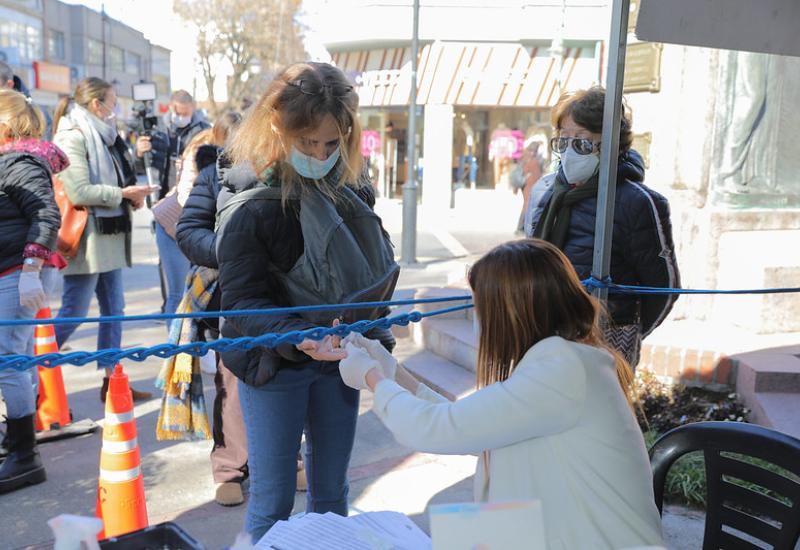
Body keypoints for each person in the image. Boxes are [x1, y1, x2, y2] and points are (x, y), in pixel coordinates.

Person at [339, 239, 666, 550]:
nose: (477, 318)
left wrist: (372, 377)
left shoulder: (563, 370)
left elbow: (436, 428)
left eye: (479, 306)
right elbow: (469, 425)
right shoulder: (562, 360)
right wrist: (387, 369)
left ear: (510, 313)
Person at [214, 61, 397, 540]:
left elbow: (368, 274)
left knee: (332, 494)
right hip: (272, 365)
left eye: (332, 143)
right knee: (272, 503)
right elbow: (240, 302)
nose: (321, 154)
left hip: (341, 360)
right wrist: (301, 335)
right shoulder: (249, 198)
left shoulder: (352, 188)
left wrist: (375, 336)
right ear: (277, 125)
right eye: (308, 142)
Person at [525, 87, 680, 367]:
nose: (569, 152)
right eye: (563, 140)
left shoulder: (639, 202)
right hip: (544, 331)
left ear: (610, 145)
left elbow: (663, 287)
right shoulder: (545, 192)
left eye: (582, 142)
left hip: (607, 339)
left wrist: (625, 334)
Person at [52, 77, 155, 402]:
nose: (116, 109)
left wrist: (130, 195)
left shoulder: (105, 134)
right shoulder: (73, 134)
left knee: (114, 310)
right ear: (97, 104)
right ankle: (27, 366)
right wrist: (123, 194)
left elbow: (118, 177)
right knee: (75, 309)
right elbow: (79, 190)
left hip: (108, 233)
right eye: (113, 102)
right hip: (87, 237)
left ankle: (112, 381)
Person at [175, 111, 255, 506]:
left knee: (285, 377)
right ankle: (230, 468)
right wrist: (231, 252)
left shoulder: (287, 173)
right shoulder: (213, 175)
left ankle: (287, 458)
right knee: (232, 381)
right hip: (230, 294)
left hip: (285, 297)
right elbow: (189, 231)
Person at [0, 89, 64, 493]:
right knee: (16, 358)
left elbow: (45, 214)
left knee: (9, 359)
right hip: (14, 269)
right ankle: (19, 445)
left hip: (19, 270)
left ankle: (24, 455)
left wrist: (30, 270)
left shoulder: (20, 161)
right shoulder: (15, 160)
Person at [153, 129, 214, 322]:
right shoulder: (201, 148)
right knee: (177, 292)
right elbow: (186, 195)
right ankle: (175, 340)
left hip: (193, 227)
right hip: (172, 224)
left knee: (192, 290)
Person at [135, 89, 211, 199]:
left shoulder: (204, 131)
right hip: (160, 195)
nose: (181, 118)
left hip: (192, 196)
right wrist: (139, 153)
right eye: (178, 113)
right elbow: (138, 166)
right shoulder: (157, 128)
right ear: (170, 107)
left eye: (186, 114)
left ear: (192, 108)